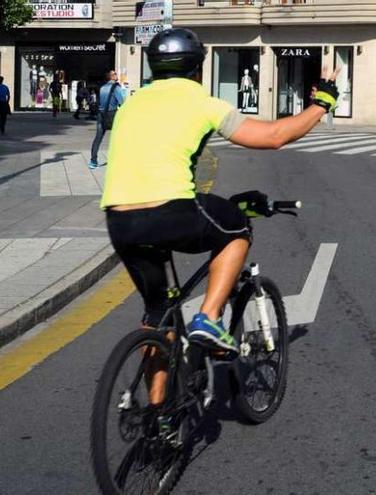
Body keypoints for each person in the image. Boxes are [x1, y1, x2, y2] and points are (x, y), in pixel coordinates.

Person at [100, 29, 338, 402]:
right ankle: (209, 318)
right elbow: (274, 135)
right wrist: (322, 103)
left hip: (119, 220)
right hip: (171, 211)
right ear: (198, 68)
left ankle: (159, 418)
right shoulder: (202, 102)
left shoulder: (132, 102)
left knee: (158, 313)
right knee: (237, 227)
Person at [89, 70, 127, 169]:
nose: (116, 75)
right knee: (119, 137)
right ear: (111, 77)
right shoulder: (116, 87)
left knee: (98, 138)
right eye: (114, 74)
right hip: (112, 114)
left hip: (101, 115)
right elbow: (123, 102)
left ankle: (93, 161)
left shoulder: (102, 88)